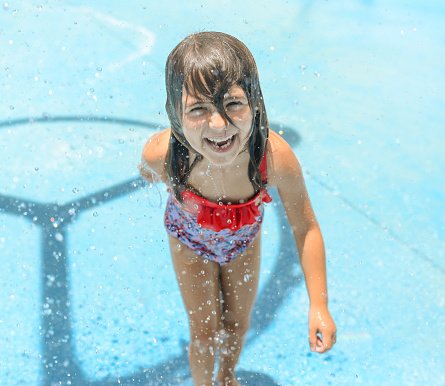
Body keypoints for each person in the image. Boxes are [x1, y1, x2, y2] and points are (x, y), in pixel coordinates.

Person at [139, 31, 337, 386]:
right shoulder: (165, 156)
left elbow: (305, 228)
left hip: (243, 242)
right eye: (198, 109)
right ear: (175, 115)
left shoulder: (274, 160)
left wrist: (318, 304)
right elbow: (147, 168)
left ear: (255, 102)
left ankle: (227, 376)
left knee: (238, 323)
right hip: (189, 240)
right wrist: (160, 177)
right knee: (204, 331)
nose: (219, 125)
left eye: (232, 104)